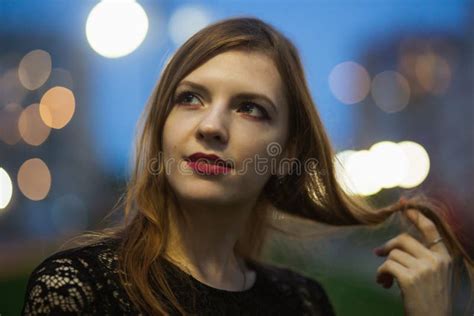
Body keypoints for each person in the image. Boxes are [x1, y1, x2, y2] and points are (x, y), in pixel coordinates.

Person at [21, 16, 473, 316]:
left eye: (250, 109)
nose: (212, 127)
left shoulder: (303, 303)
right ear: (163, 125)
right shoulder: (78, 289)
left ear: (288, 151)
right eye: (191, 98)